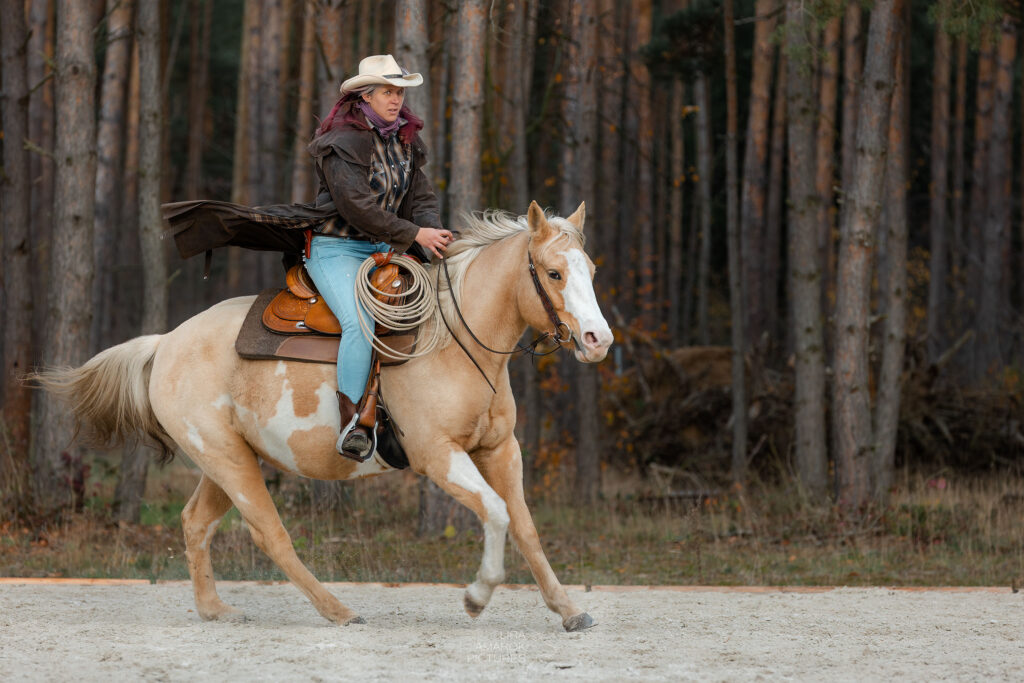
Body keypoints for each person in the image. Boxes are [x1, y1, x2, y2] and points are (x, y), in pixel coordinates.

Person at [304, 54, 454, 462]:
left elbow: (421, 199)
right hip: (335, 247)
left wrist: (433, 235)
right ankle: (353, 425)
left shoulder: (405, 140)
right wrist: (414, 234)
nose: (396, 99)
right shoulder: (341, 141)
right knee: (360, 323)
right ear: (365, 96)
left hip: (384, 249)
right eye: (388, 91)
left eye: (399, 92)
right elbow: (356, 207)